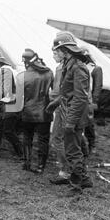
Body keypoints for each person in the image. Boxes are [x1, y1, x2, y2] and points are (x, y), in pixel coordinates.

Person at [48, 31, 93, 195]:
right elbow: (68, 93)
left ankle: (76, 185)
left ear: (64, 49)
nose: (56, 53)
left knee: (73, 151)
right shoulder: (70, 64)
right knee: (72, 149)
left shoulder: (78, 67)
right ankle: (85, 179)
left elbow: (81, 98)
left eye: (57, 50)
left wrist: (70, 122)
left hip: (74, 116)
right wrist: (55, 103)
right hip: (69, 112)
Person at [20, 48, 53, 173]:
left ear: (26, 62)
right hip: (45, 112)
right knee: (43, 140)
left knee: (27, 138)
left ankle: (27, 163)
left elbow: (19, 95)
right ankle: (40, 167)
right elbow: (54, 91)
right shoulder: (49, 72)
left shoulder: (23, 75)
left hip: (28, 111)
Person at [47, 44, 70, 182]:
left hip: (62, 105)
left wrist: (51, 99)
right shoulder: (62, 66)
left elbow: (58, 89)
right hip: (63, 104)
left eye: (56, 53)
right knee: (62, 138)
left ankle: (65, 169)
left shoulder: (62, 67)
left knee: (57, 138)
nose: (54, 56)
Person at [80, 47, 103, 156]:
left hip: (89, 100)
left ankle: (91, 144)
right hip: (79, 98)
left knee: (89, 123)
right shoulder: (79, 67)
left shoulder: (95, 69)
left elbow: (98, 86)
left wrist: (95, 101)